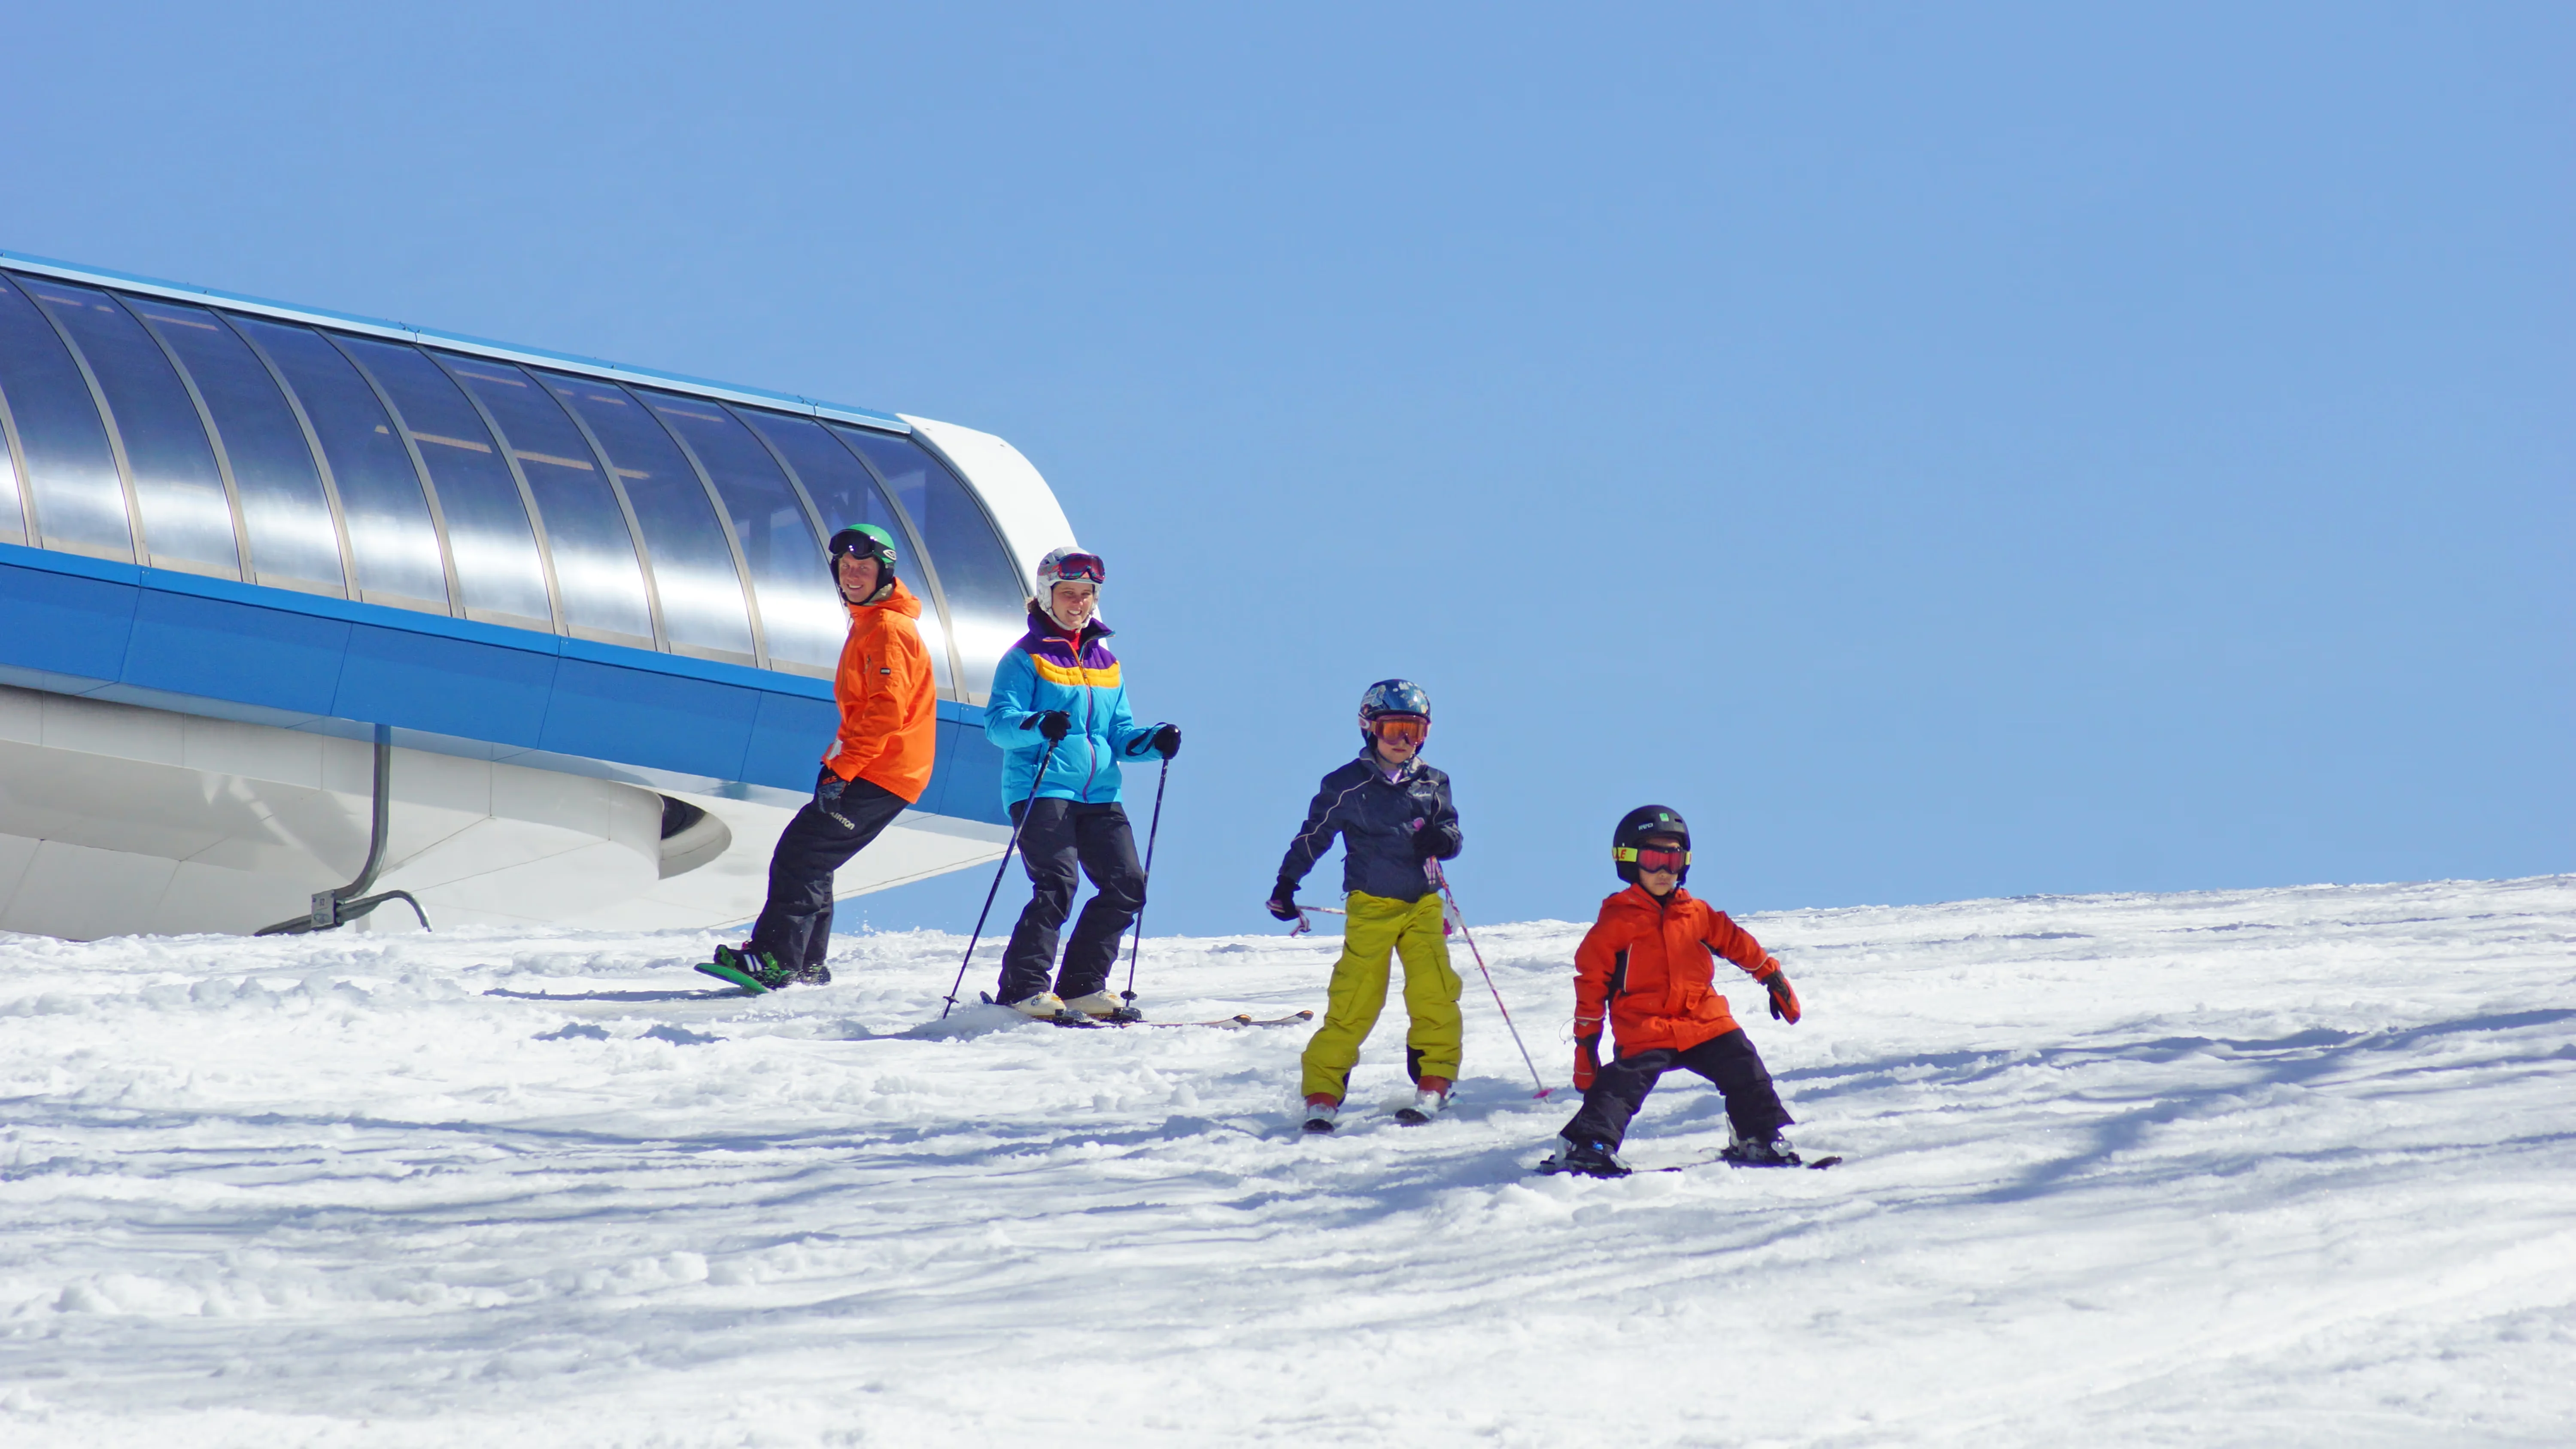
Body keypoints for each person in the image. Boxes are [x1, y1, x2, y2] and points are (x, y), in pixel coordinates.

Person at [700, 524, 938, 992]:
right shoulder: (871, 623)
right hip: (876, 769)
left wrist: (844, 770)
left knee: (802, 855)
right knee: (812, 856)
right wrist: (836, 766)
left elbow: (886, 709)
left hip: (882, 771)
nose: (853, 574)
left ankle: (777, 961)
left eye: (863, 567)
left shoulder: (888, 629)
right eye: (846, 567)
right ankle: (805, 963)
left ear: (883, 572)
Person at [1546, 805, 1805, 1177]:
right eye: (1654, 859)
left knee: (1744, 1068)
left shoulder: (1695, 912)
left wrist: (1771, 976)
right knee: (1620, 1087)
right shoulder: (1616, 923)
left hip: (1703, 1020)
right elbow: (1591, 986)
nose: (1665, 870)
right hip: (1645, 1026)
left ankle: (1757, 1133)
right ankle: (1586, 1143)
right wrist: (1587, 1046)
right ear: (1629, 861)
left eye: (1674, 858)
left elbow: (1736, 942)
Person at [983, 547, 1180, 1019]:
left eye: (1086, 594)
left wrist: (1155, 741)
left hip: (1100, 793)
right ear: (1046, 596)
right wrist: (1037, 724)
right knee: (1057, 882)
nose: (1078, 602)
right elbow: (998, 724)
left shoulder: (1106, 662)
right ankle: (1023, 988)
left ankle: (1081, 986)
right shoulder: (1024, 658)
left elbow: (1119, 734)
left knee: (1128, 884)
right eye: (1068, 593)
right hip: (1041, 788)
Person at [1266, 679, 1464, 1132]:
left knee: (1434, 990)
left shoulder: (1434, 782)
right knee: (1355, 998)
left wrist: (1443, 840)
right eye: (1394, 727)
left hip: (1423, 904)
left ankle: (1436, 1076)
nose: (1404, 740)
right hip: (1372, 905)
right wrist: (1287, 883)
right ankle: (1323, 1089)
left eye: (1415, 730)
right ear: (1369, 728)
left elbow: (1451, 832)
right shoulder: (1346, 785)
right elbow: (1314, 835)